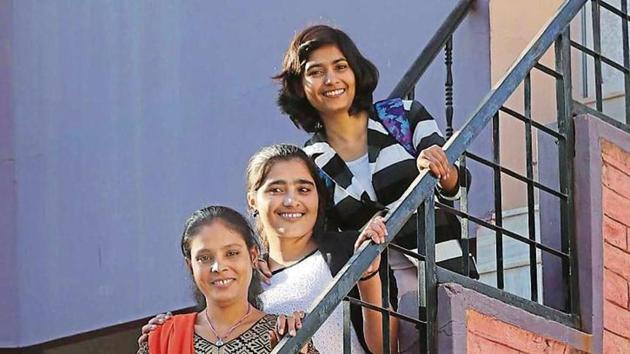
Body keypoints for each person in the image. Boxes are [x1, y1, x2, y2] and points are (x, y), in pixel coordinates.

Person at [272, 24, 477, 353]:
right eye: (316, 72)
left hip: (443, 266)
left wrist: (444, 171)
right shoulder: (310, 162)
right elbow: (318, 236)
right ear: (300, 86)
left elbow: (454, 191)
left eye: (340, 66)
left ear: (355, 70)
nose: (331, 80)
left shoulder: (403, 116)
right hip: (379, 290)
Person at [140, 144, 396, 354]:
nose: (290, 200)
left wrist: (367, 275)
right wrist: (164, 334)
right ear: (253, 200)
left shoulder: (347, 250)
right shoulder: (237, 274)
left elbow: (387, 348)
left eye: (303, 189)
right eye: (276, 189)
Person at [137, 205, 317, 354]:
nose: (218, 267)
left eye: (231, 253)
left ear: (253, 255)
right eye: (204, 258)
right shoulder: (165, 338)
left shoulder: (285, 333)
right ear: (190, 266)